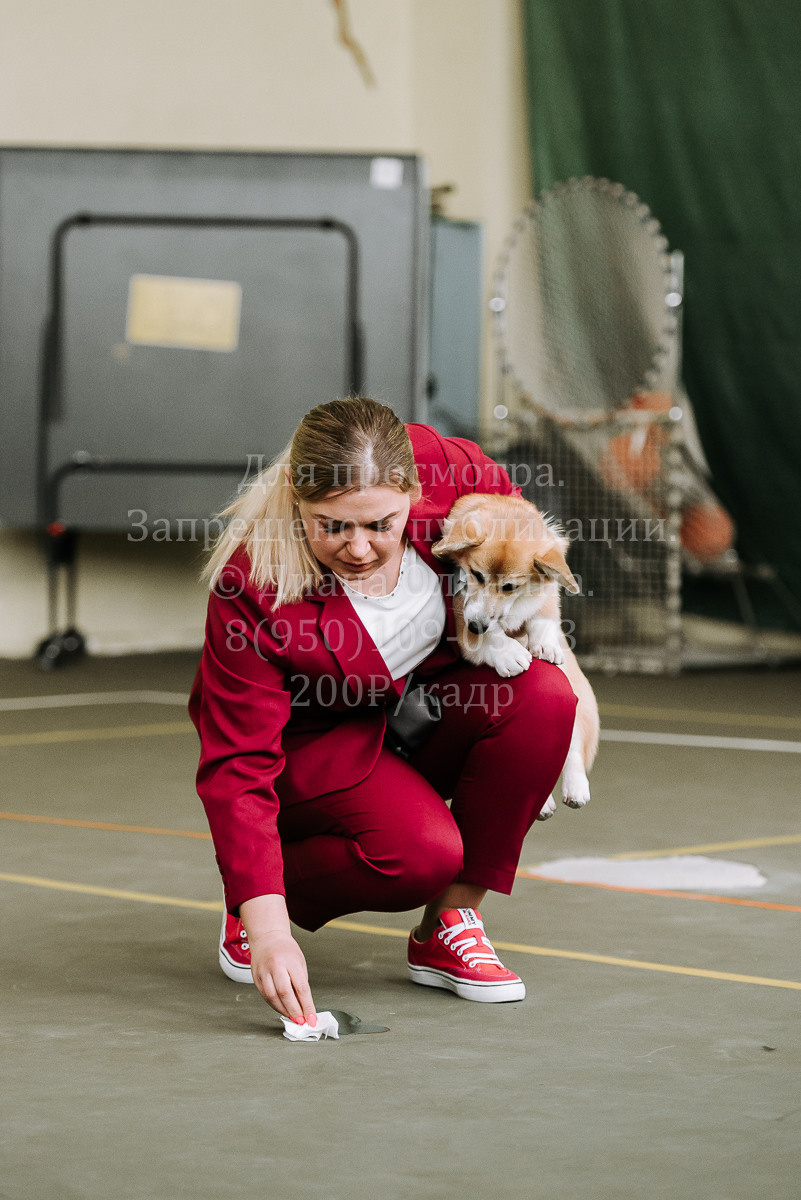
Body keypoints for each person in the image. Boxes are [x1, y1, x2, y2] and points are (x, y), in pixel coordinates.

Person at [189, 397, 577, 1027]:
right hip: (311, 744)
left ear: (415, 491)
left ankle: (450, 923)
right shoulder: (250, 584)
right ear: (295, 494)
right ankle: (256, 892)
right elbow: (236, 765)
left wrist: (563, 660)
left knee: (545, 698)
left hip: (414, 709)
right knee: (417, 855)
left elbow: (527, 535)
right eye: (333, 526)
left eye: (381, 525)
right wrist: (265, 925)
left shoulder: (446, 469)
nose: (361, 548)